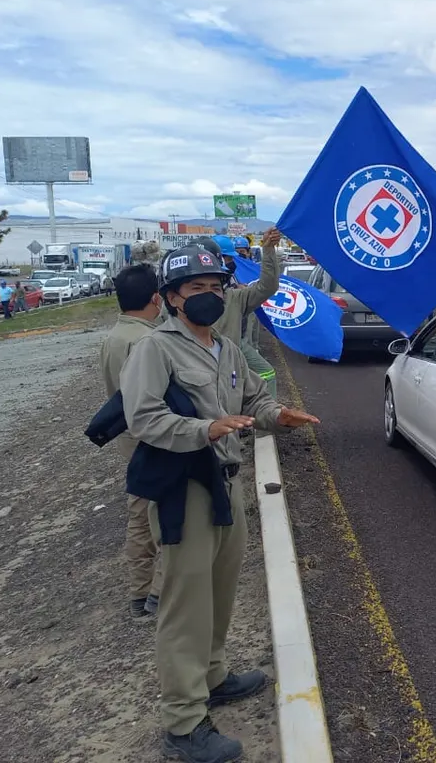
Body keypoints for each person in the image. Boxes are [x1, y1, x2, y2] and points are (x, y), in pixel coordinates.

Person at [121, 246, 320, 762]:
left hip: (227, 482)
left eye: (216, 288)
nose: (210, 297)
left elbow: (252, 399)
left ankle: (213, 675)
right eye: (197, 289)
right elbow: (142, 418)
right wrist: (204, 429)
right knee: (185, 605)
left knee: (221, 588)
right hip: (185, 486)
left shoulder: (226, 349)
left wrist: (279, 415)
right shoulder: (155, 350)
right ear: (170, 298)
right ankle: (183, 723)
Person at [100, 264, 164, 619]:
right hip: (154, 438)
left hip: (129, 438)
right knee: (169, 514)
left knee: (139, 514)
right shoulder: (147, 341)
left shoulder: (113, 336)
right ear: (157, 298)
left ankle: (141, 591)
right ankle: (159, 593)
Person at [205, 230, 281, 399]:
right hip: (208, 357)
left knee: (263, 373)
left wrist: (268, 250)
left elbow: (267, 286)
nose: (233, 262)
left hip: (235, 344)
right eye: (229, 257)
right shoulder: (178, 302)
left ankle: (266, 416)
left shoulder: (234, 295)